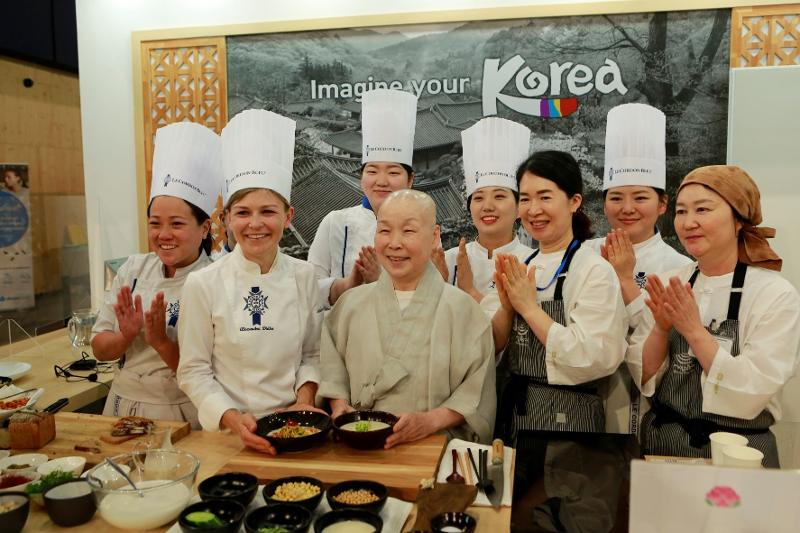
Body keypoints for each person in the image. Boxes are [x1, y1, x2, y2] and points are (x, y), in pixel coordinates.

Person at [627, 165, 800, 467]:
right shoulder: (669, 281)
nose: (688, 222)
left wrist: (694, 331)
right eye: (681, 212)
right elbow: (643, 375)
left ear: (738, 220)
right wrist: (661, 328)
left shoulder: (773, 293)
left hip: (739, 454)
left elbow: (755, 388)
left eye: (702, 209)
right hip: (663, 446)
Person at [177, 109, 323, 455]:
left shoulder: (304, 276)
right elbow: (193, 372)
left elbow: (313, 354)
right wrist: (230, 418)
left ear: (288, 217)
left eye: (268, 212)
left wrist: (303, 400)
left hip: (296, 429)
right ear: (225, 219)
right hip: (229, 438)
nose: (255, 224)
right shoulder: (203, 284)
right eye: (242, 213)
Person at [318, 190, 496, 446]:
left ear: (434, 236)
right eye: (385, 230)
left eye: (408, 231)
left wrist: (430, 421)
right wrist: (339, 406)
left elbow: (476, 390)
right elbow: (331, 370)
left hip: (432, 447)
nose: (394, 243)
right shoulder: (350, 304)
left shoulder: (463, 310)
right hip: (357, 445)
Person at [486, 150, 627, 440]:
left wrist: (529, 309)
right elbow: (491, 348)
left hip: (569, 420)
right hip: (514, 411)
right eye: (525, 198)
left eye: (545, 197)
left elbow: (594, 356)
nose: (533, 209)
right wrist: (505, 308)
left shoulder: (593, 270)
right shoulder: (520, 265)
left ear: (574, 202)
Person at [91, 122, 219, 425]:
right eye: (154, 223)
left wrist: (161, 340)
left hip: (182, 412)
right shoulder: (134, 269)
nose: (164, 234)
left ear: (204, 228)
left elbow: (214, 375)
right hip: (121, 406)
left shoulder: (216, 279)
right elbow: (100, 349)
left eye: (176, 224)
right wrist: (125, 335)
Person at [585, 103, 692, 434]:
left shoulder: (681, 267)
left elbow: (670, 343)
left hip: (649, 402)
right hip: (582, 396)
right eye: (616, 197)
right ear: (604, 203)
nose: (627, 208)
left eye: (640, 198)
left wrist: (626, 279)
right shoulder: (585, 253)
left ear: (662, 204)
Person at [307, 88, 417, 305]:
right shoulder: (335, 222)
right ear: (361, 177)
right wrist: (348, 285)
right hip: (343, 335)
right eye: (372, 171)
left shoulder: (422, 229)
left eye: (393, 172)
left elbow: (431, 296)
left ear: (410, 180)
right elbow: (310, 289)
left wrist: (381, 281)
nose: (382, 181)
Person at [437, 117, 534, 317]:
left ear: (519, 208)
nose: (487, 206)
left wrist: (469, 291)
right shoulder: (449, 260)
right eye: (478, 198)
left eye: (499, 196)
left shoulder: (533, 262)